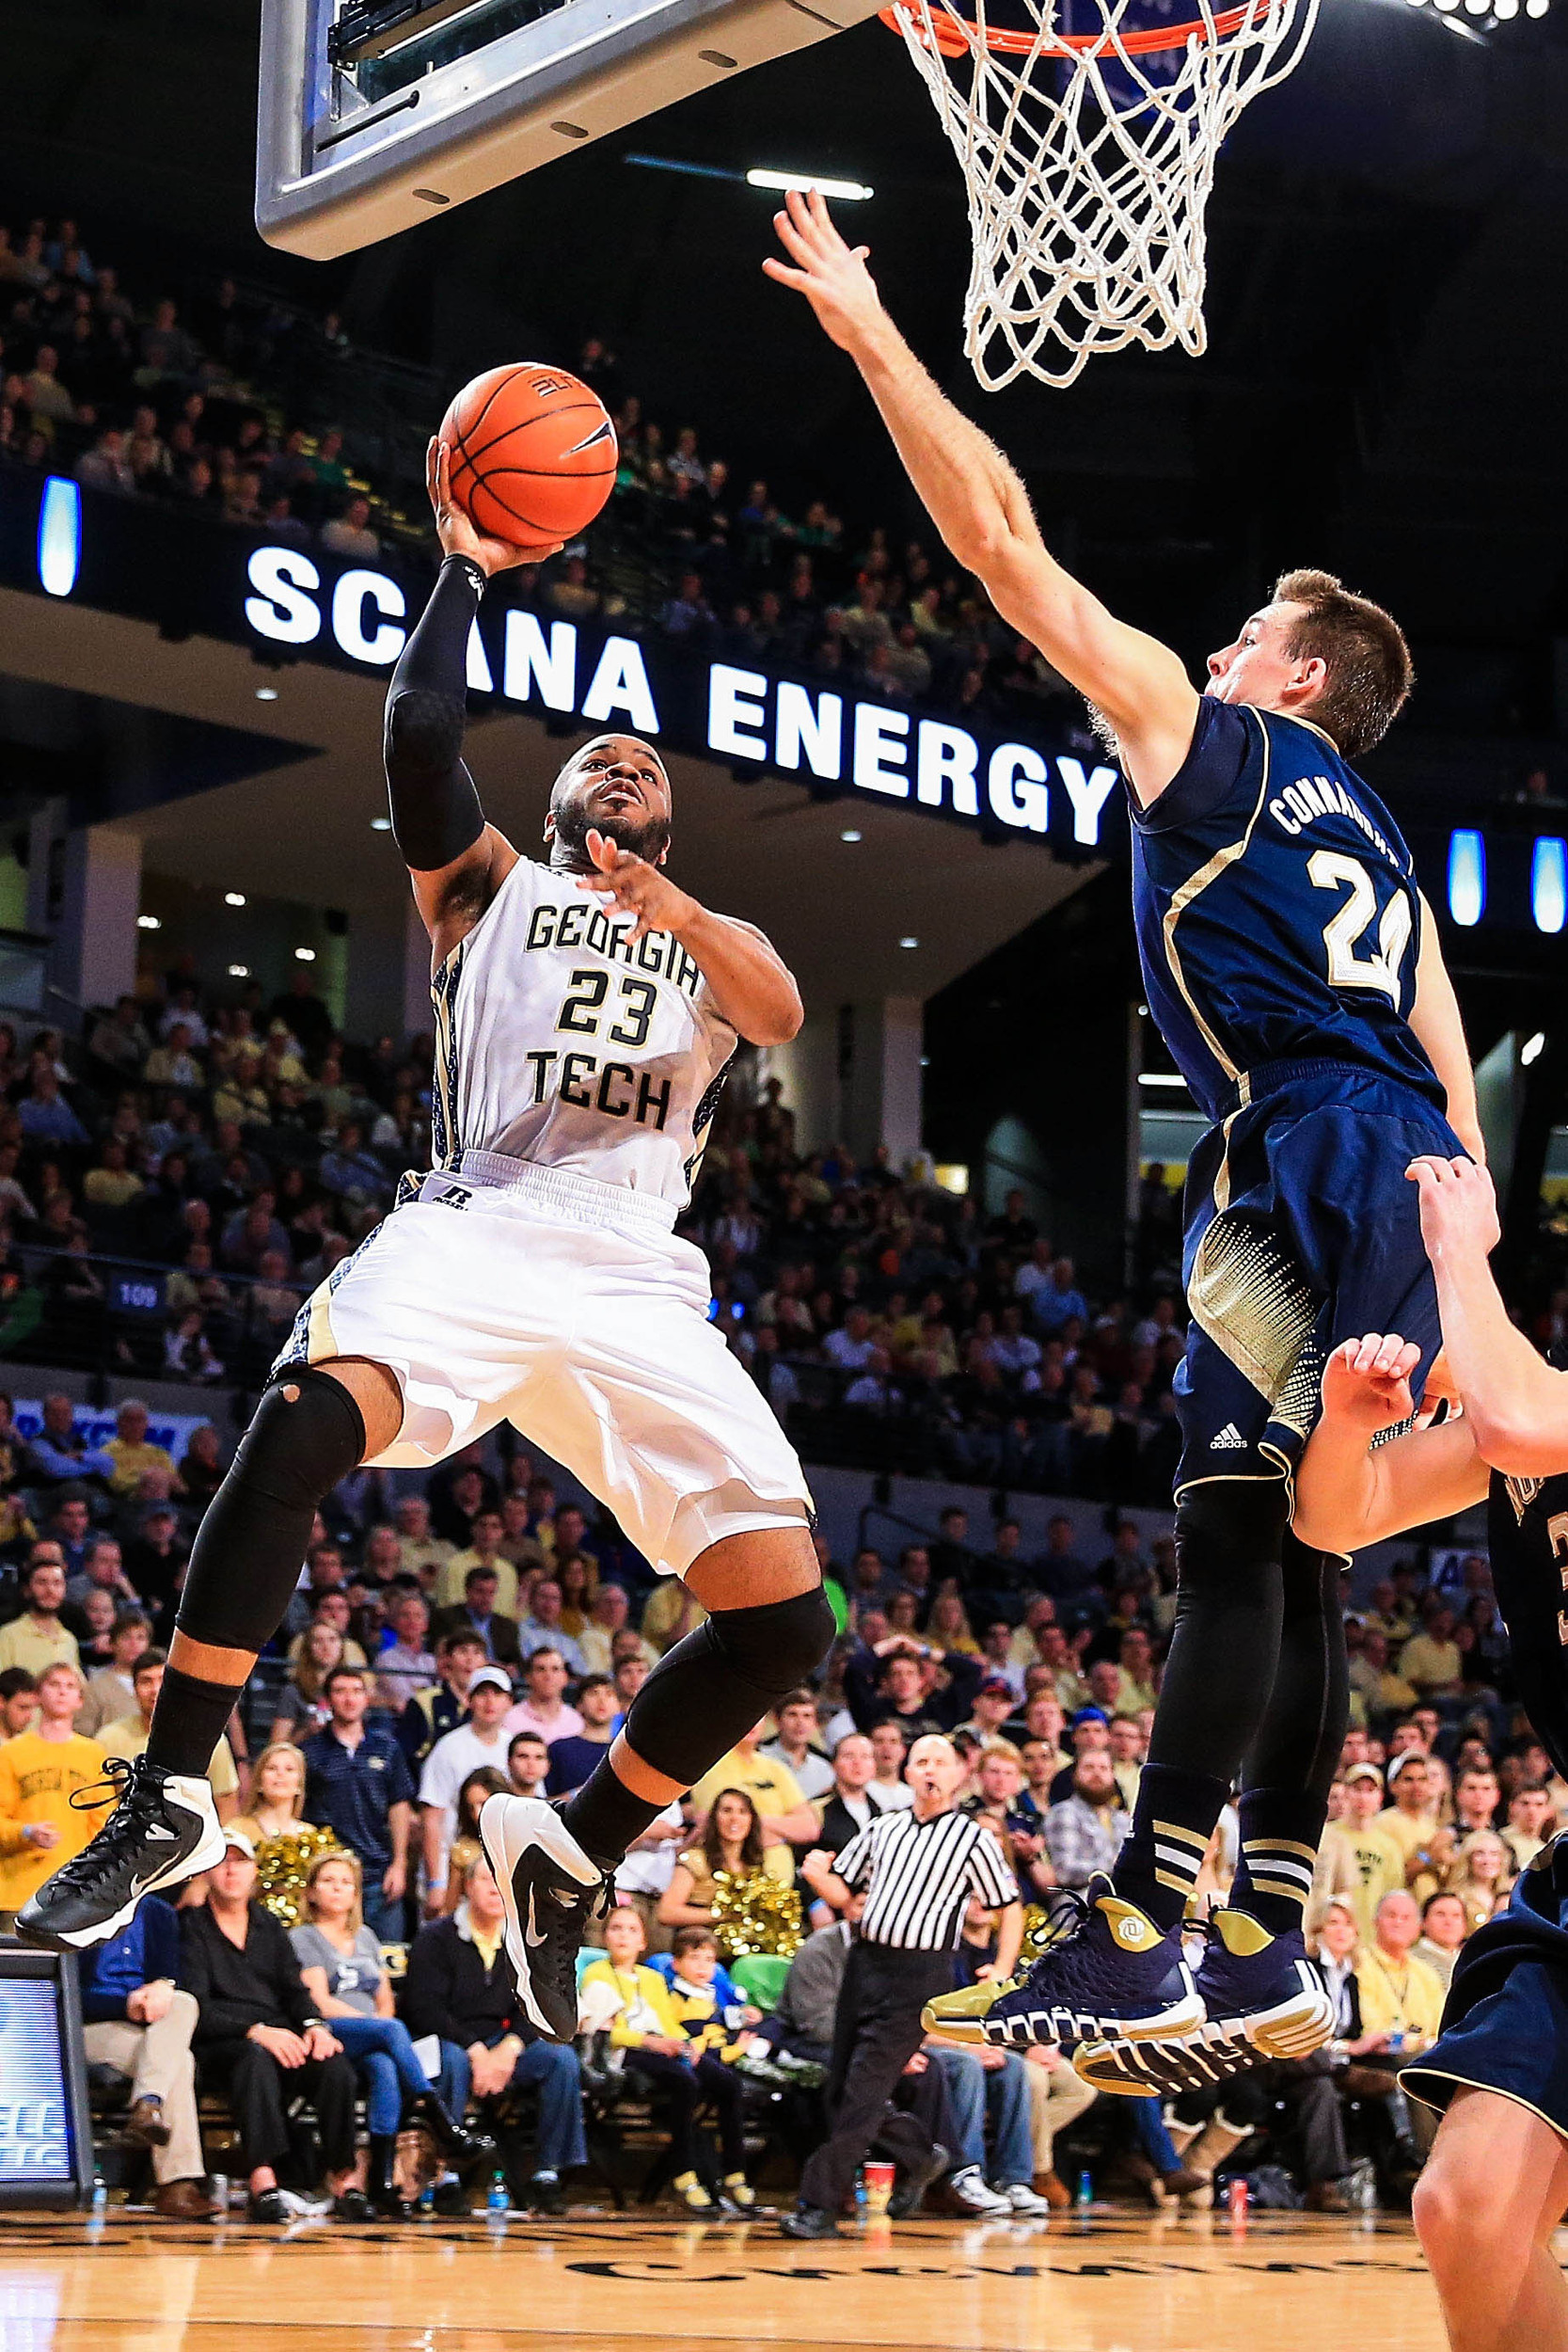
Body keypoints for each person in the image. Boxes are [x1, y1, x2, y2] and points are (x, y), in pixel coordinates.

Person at [767, 192, 1480, 2065]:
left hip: (1282, 1156)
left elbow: (1002, 544)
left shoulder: (1207, 732)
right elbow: (1435, 1023)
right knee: (1308, 1545)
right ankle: (1255, 1938)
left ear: (1293, 676)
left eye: (1252, 633)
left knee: (1233, 1533)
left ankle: (1146, 1921)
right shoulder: (1376, 838)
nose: (1222, 643)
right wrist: (1460, 1205)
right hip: (1404, 1162)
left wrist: (866, 333)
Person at [24, 440, 830, 2024]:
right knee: (302, 1415)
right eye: (597, 763)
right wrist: (462, 565)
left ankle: (572, 1846)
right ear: (548, 805)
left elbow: (783, 1006)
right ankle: (173, 1790)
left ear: (669, 828)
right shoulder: (488, 891)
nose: (622, 769)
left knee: (787, 1620)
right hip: (482, 1226)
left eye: (645, 772)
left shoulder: (708, 946)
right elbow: (413, 734)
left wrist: (667, 908)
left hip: (636, 1271)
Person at [1279, 1153, 1568, 2346]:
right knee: (1462, 2209)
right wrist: (1347, 1426)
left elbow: (1515, 1414)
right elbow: (1329, 1518)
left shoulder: (1531, 1411)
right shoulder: (1514, 1430)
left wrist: (1459, 1248)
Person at [784, 1733, 1022, 2237]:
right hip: (864, 1965)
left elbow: (1008, 1905)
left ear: (959, 1774)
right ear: (908, 1773)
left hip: (920, 1974)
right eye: (921, 1761)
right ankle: (923, 2153)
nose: (930, 1769)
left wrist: (1001, 1967)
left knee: (863, 2095)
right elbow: (843, 1891)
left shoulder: (972, 1837)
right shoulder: (882, 1827)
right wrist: (817, 1873)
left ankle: (818, 2206)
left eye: (940, 1761)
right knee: (839, 2089)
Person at [291, 1848, 492, 2215]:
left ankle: (383, 2182)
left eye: (346, 1882)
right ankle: (440, 2120)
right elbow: (319, 2000)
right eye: (328, 1881)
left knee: (385, 2067)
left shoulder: (366, 1937)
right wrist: (374, 2024)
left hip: (375, 2036)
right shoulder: (304, 1938)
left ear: (355, 1894)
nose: (338, 1889)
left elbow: (385, 1998)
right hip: (331, 2030)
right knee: (392, 2032)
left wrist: (379, 2023)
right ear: (312, 1892)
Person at [182, 1829, 361, 2222]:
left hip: (282, 2035)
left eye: (241, 1861)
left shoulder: (269, 1926)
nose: (232, 1870)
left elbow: (295, 1990)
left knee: (335, 2068)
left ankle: (343, 2179)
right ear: (208, 1871)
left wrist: (315, 2025)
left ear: (254, 1872)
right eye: (223, 1861)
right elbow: (195, 2007)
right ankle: (263, 2181)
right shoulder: (192, 1927)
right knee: (254, 2059)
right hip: (223, 2041)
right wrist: (255, 2030)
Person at [400, 1853, 587, 2213]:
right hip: (449, 2041)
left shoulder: (526, 1943)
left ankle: (548, 2173)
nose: (495, 1888)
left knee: (560, 2059)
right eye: (486, 1879)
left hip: (501, 2045)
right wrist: (475, 2050)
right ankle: (445, 2176)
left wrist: (510, 2048)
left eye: (502, 1881)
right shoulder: (435, 1939)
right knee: (449, 2059)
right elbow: (424, 2009)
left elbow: (537, 2005)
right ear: (469, 1887)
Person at [580, 1906, 753, 2212]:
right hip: (624, 2050)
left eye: (632, 1930)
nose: (623, 1936)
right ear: (605, 1936)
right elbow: (602, 2032)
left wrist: (686, 2044)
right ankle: (684, 2174)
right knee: (685, 2081)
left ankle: (734, 2173)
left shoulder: (652, 1977)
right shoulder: (596, 1974)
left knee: (727, 2082)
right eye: (616, 1928)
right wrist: (651, 2042)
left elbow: (668, 2023)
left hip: (662, 2044)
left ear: (643, 1942)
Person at [78, 1894, 216, 2219]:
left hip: (146, 2032)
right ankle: (176, 2186)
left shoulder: (159, 1914)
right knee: (180, 2062)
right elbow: (64, 1990)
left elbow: (166, 1981)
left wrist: (160, 1991)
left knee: (182, 2002)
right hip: (85, 2027)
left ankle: (148, 2104)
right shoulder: (76, 1909)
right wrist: (123, 2005)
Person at [300, 1665, 416, 1942]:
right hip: (331, 1874)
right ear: (328, 1700)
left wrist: (399, 1864)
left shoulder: (387, 1747)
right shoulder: (310, 1752)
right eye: (340, 1691)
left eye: (356, 1691)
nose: (349, 1699)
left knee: (388, 1958)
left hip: (379, 1873)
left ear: (367, 1698)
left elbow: (399, 1806)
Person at [0, 1663, 110, 1926]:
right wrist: (27, 1832)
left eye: (70, 1686)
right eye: (54, 1685)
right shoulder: (10, 1753)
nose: (62, 1692)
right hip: (19, 1893)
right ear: (38, 1695)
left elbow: (104, 1826)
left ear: (80, 1700)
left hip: (76, 1896)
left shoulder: (94, 1755)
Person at [100, 1650, 239, 1824]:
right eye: (146, 1681)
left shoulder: (210, 1739)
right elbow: (100, 1805)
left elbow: (226, 1802)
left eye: (163, 1680)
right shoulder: (109, 1738)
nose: (155, 1689)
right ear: (134, 1689)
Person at [658, 1787, 795, 1936]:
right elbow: (667, 1912)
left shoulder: (754, 1864)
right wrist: (724, 1915)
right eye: (727, 1811)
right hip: (700, 1947)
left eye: (743, 1811)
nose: (734, 1818)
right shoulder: (695, 1860)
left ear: (751, 1820)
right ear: (714, 1818)